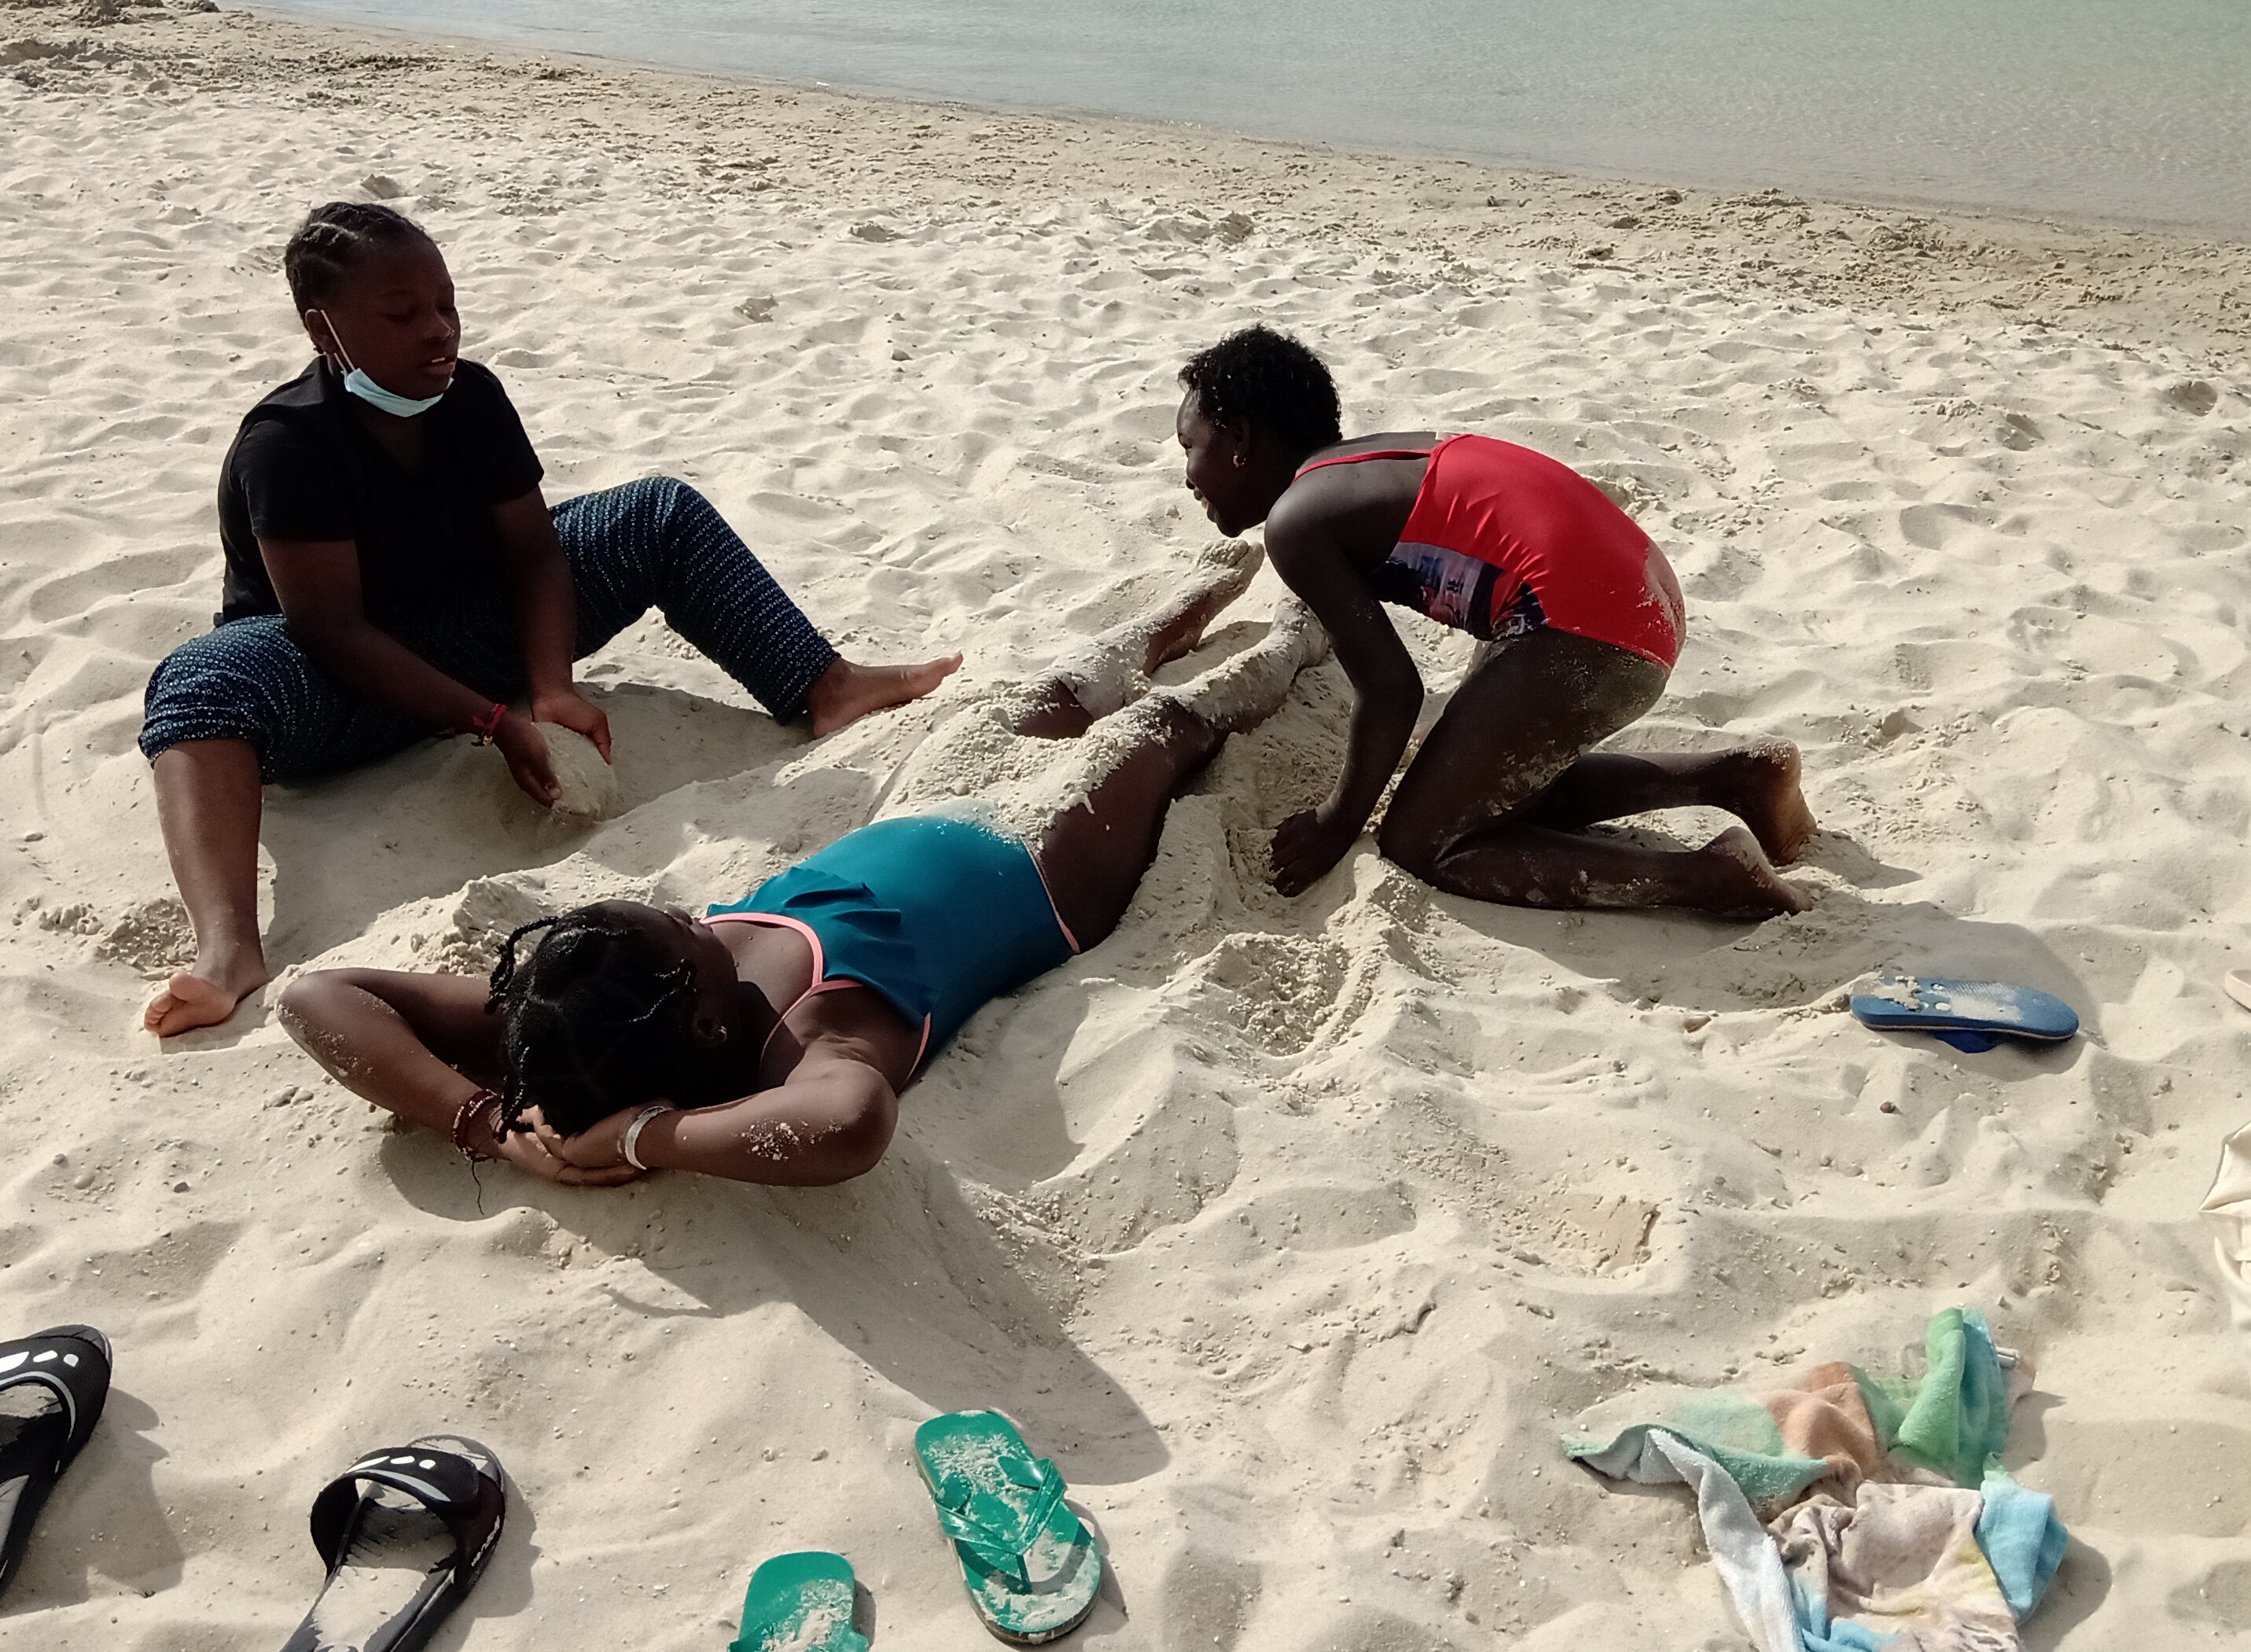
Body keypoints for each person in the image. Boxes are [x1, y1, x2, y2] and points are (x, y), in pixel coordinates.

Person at [136, 201, 958, 1039]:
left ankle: (823, 685)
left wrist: (550, 687)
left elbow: (533, 553)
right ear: (323, 329)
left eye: (446, 304)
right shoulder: (289, 444)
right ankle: (228, 949)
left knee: (656, 512)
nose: (438, 330)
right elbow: (331, 629)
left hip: (470, 631)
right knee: (200, 678)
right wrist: (494, 721)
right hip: (334, 687)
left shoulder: (470, 398)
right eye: (402, 314)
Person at [274, 546, 1321, 1187]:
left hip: (922, 811)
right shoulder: (809, 1042)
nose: (691, 915)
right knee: (1152, 732)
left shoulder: (566, 1014)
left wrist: (479, 1123)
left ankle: (1182, 607)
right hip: (1043, 869)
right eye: (683, 931)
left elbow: (319, 996)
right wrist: (646, 1139)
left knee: (1045, 700)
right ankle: (1291, 644)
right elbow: (848, 1126)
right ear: (698, 1020)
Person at [1171, 323, 1815, 914]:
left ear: (1240, 441)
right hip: (1638, 593)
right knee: (1491, 789)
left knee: (1421, 842)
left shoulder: (1296, 522)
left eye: (1189, 447)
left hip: (1586, 629)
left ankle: (1707, 878)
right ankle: (1739, 776)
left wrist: (1336, 822)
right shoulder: (1368, 463)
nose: (1187, 476)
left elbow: (1392, 691)